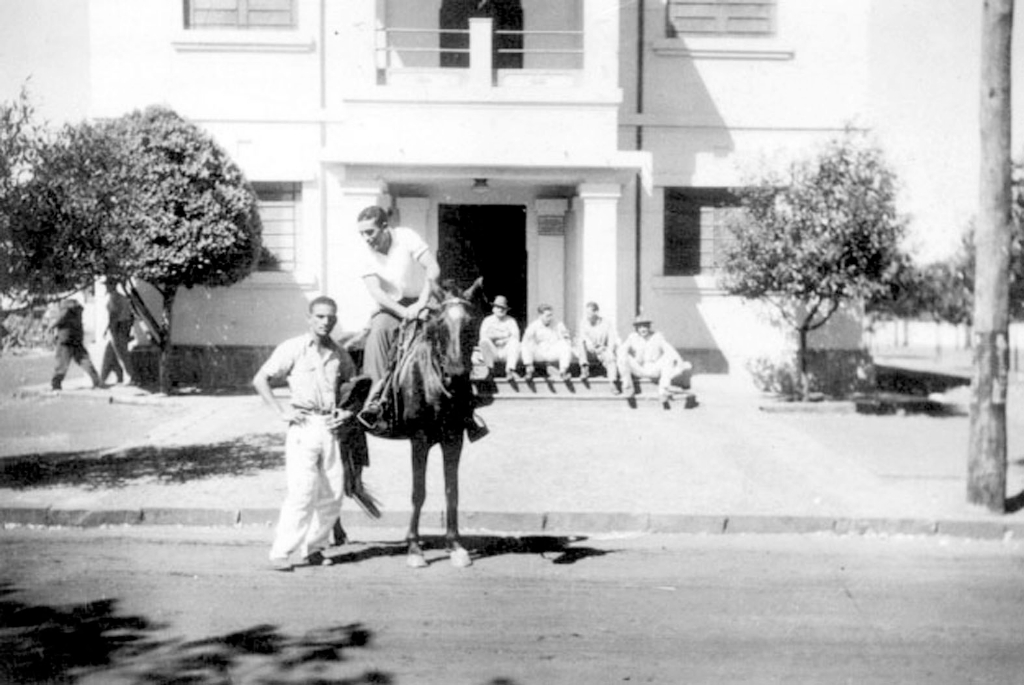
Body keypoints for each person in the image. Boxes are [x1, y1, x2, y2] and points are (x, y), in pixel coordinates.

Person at [253, 296, 360, 571]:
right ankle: (281, 552)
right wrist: (281, 412)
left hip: (331, 427)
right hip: (304, 426)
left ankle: (315, 548)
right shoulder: (294, 348)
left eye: (331, 317)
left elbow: (354, 386)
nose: (326, 322)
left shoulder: (339, 353)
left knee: (333, 493)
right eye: (321, 316)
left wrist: (347, 412)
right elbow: (260, 379)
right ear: (309, 318)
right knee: (302, 492)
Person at [618, 314, 692, 404]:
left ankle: (663, 391)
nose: (643, 329)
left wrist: (680, 362)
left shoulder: (657, 336)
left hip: (654, 369)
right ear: (636, 328)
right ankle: (628, 388)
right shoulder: (632, 337)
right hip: (639, 369)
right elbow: (622, 349)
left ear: (649, 327)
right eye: (640, 327)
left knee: (668, 357)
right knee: (622, 356)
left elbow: (670, 350)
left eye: (645, 326)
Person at [49, 298, 102, 391]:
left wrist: (52, 326)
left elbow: (63, 316)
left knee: (62, 362)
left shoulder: (65, 306)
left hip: (65, 338)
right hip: (77, 336)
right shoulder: (77, 308)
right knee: (83, 359)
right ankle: (96, 380)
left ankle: (56, 383)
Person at [575, 301, 620, 390]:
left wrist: (609, 350)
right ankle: (584, 368)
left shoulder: (606, 323)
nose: (587, 315)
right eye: (586, 313)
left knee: (610, 357)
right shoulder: (583, 323)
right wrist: (590, 345)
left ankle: (612, 382)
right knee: (580, 342)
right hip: (589, 352)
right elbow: (583, 336)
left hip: (602, 350)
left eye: (589, 313)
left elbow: (611, 339)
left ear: (596, 312)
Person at [520, 304, 572, 381]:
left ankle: (563, 372)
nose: (550, 318)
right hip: (539, 352)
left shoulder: (558, 324)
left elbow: (566, 338)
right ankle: (529, 371)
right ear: (540, 315)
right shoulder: (534, 325)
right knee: (527, 344)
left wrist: (565, 341)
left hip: (552, 351)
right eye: (547, 316)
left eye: (551, 315)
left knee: (565, 344)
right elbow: (525, 341)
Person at [99, 281, 136, 386]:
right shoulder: (120, 297)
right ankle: (104, 378)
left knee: (121, 353)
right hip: (122, 326)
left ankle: (130, 376)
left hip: (119, 327)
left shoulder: (114, 297)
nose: (106, 287)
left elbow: (114, 315)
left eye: (107, 285)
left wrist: (111, 329)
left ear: (112, 285)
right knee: (111, 352)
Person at [477, 294, 521, 380]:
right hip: (493, 351)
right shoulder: (487, 321)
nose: (500, 310)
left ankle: (510, 370)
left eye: (503, 308)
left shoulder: (511, 321)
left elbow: (515, 337)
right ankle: (490, 370)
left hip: (505, 351)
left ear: (506, 310)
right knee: (483, 342)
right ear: (493, 309)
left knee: (515, 343)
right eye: (498, 307)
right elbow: (484, 336)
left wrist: (495, 337)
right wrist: (504, 336)